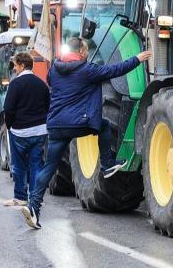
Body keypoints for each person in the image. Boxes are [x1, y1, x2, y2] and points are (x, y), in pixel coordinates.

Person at [22, 37, 152, 229]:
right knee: (104, 126)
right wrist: (137, 59)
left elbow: (51, 82)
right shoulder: (87, 70)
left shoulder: (55, 69)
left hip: (56, 125)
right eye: (86, 51)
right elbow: (115, 70)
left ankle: (33, 207)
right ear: (82, 52)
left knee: (49, 167)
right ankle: (107, 164)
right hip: (78, 123)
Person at [3, 52, 50, 207]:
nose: (15, 68)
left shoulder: (15, 84)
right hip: (40, 131)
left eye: (16, 65)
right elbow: (47, 106)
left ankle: (20, 197)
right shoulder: (41, 84)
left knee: (19, 166)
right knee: (36, 164)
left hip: (20, 132)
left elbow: (8, 108)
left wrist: (10, 126)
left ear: (22, 65)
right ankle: (35, 199)